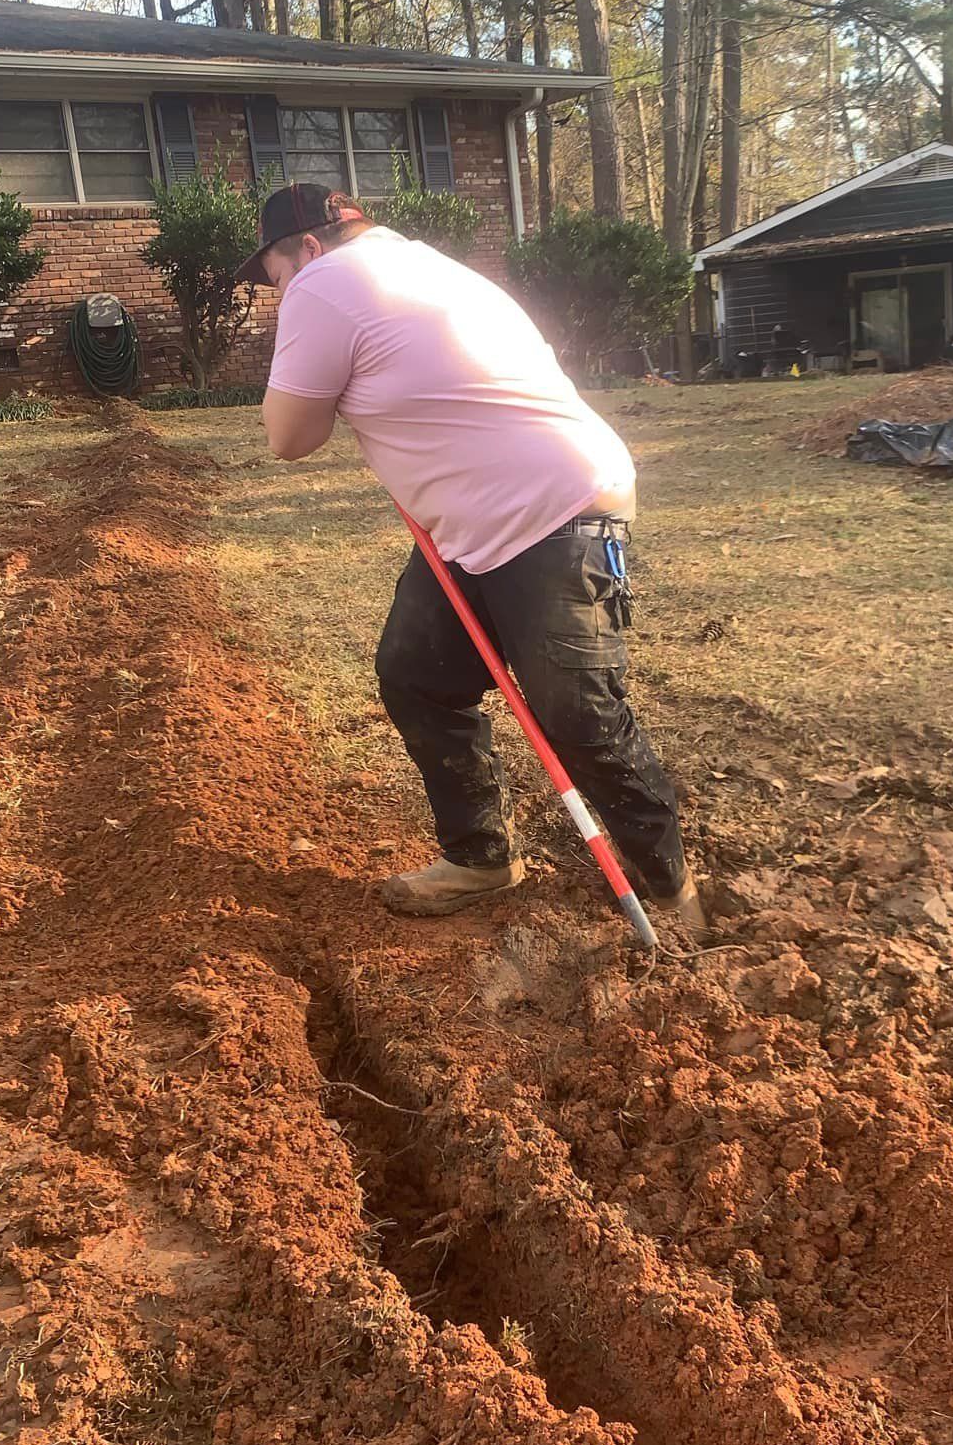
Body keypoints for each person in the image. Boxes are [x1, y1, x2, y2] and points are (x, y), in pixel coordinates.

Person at [242, 181, 704, 931]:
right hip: (478, 523)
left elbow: (287, 437)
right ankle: (480, 857)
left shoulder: (323, 283)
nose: (279, 296)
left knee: (576, 714)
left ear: (309, 248)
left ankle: (673, 896)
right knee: (417, 672)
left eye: (275, 278)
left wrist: (305, 352)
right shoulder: (430, 266)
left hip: (551, 513)